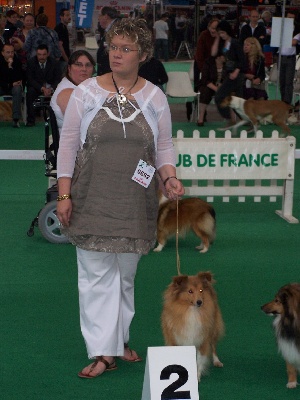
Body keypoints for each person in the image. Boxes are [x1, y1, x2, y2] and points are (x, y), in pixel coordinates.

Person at [56, 18, 184, 378]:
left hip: (135, 201)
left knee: (125, 278)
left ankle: (118, 339)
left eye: (126, 48)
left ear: (142, 54)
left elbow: (163, 145)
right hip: (90, 198)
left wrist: (169, 177)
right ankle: (102, 351)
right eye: (113, 46)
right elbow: (67, 145)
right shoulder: (86, 93)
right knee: (95, 277)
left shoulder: (155, 96)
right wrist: (64, 194)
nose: (116, 54)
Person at [50, 50, 95, 131]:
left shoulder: (83, 86)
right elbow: (79, 124)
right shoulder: (67, 92)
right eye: (78, 65)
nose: (84, 69)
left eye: (88, 65)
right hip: (73, 141)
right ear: (69, 69)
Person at [212, 20, 245, 126]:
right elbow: (213, 53)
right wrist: (217, 38)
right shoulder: (223, 43)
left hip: (236, 75)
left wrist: (236, 71)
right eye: (219, 33)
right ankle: (232, 119)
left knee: (226, 98)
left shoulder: (235, 43)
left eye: (222, 33)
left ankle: (236, 120)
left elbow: (242, 60)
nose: (221, 35)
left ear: (227, 32)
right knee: (234, 100)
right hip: (229, 75)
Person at [26, 44, 61, 126]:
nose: (41, 57)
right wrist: (42, 88)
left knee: (61, 92)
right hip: (37, 87)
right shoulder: (31, 62)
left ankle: (58, 120)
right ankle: (31, 120)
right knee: (30, 92)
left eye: (44, 54)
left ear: (48, 54)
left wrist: (51, 89)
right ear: (36, 54)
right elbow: (30, 79)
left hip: (51, 87)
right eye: (39, 54)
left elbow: (58, 79)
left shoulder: (54, 63)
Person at [196, 54, 225, 126]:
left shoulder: (227, 65)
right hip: (208, 85)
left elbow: (227, 78)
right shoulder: (208, 63)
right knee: (205, 92)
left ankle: (230, 118)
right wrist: (216, 88)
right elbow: (205, 79)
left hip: (222, 86)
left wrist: (222, 85)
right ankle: (201, 117)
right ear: (219, 57)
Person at [0, 43, 23, 127]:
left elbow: (19, 77)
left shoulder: (17, 62)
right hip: (2, 86)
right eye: (8, 52)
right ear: (2, 53)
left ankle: (16, 119)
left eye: (12, 52)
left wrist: (10, 66)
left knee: (17, 89)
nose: (10, 54)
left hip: (13, 87)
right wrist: (10, 83)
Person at [11, 13, 35, 85]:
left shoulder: (37, 32)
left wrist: (19, 41)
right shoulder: (18, 32)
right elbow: (15, 47)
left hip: (35, 63)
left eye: (31, 21)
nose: (29, 22)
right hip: (20, 62)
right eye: (27, 20)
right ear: (23, 21)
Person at [97, 6, 118, 76]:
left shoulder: (115, 29)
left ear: (105, 16)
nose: (98, 18)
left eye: (99, 16)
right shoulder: (109, 29)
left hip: (110, 71)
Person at [54, 8, 71, 75]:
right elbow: (60, 46)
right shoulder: (60, 28)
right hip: (62, 60)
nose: (69, 17)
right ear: (61, 17)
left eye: (69, 15)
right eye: (66, 15)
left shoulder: (64, 28)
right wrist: (67, 60)